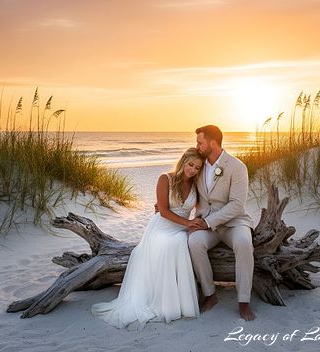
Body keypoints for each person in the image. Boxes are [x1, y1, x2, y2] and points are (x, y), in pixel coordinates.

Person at [91, 147, 204, 328]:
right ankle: (164, 302)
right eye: (191, 164)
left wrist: (197, 222)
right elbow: (164, 212)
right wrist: (188, 223)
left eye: (198, 167)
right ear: (183, 161)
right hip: (162, 227)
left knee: (180, 242)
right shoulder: (165, 179)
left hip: (181, 229)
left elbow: (202, 208)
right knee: (169, 244)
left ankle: (181, 302)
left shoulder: (196, 185)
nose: (193, 170)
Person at [187, 125, 256, 321]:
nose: (197, 146)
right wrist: (165, 203)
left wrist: (207, 222)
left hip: (234, 222)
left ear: (212, 142)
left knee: (244, 243)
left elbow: (236, 205)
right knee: (194, 243)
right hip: (207, 224)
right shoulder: (198, 165)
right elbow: (181, 181)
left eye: (200, 142)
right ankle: (210, 295)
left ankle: (244, 301)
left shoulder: (237, 167)